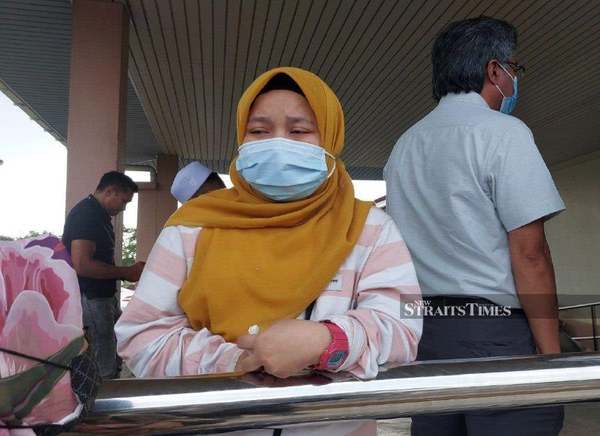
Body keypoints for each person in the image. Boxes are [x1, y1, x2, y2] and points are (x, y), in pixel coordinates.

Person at [116, 67, 422, 435]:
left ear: (330, 140)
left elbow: (405, 327)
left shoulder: (371, 228)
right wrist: (238, 360)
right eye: (259, 131)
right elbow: (141, 333)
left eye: (299, 130)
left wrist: (327, 340)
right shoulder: (192, 228)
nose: (278, 144)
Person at [384, 17, 565, 436]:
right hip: (493, 328)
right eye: (514, 69)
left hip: (425, 327)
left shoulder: (405, 145)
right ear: (494, 71)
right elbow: (530, 253)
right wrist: (553, 358)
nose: (514, 79)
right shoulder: (504, 134)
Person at [62, 171, 145, 379]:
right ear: (110, 191)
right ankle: (102, 405)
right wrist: (127, 272)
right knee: (103, 360)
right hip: (91, 297)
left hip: (102, 296)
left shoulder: (99, 215)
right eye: (124, 201)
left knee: (113, 347)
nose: (124, 207)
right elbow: (82, 264)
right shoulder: (86, 214)